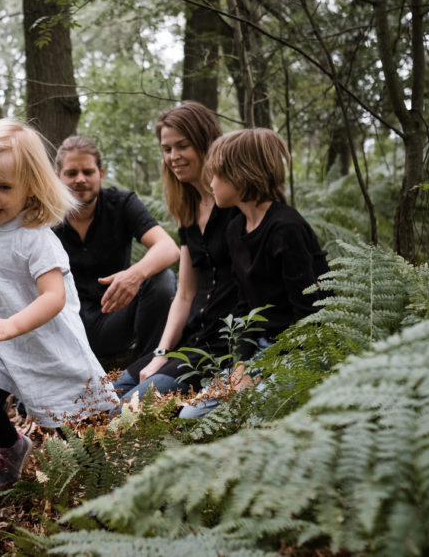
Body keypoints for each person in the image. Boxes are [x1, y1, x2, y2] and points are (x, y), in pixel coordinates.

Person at [0, 119, 118, 492]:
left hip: (43, 339)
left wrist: (12, 325)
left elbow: (54, 296)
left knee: (69, 427)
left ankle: (101, 468)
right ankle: (12, 447)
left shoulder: (34, 238)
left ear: (30, 188)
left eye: (3, 187)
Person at [176, 128, 329, 419]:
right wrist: (242, 367)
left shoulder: (286, 229)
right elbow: (245, 307)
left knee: (253, 414)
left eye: (216, 175)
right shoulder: (235, 230)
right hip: (258, 350)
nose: (209, 183)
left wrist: (265, 372)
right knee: (190, 417)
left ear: (241, 175)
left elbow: (309, 316)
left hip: (298, 353)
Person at [113, 101, 240, 404]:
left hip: (222, 346)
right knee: (109, 394)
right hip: (189, 340)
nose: (173, 157)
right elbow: (184, 293)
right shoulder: (189, 211)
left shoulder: (237, 207)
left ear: (207, 144)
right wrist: (160, 353)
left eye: (182, 146)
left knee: (125, 412)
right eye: (167, 149)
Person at [52, 137, 179, 367]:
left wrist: (134, 274)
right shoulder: (45, 215)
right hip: (67, 327)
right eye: (71, 173)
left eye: (87, 172)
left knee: (162, 279)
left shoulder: (122, 203)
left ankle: (143, 368)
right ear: (57, 176)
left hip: (115, 316)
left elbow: (168, 248)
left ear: (100, 173)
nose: (80, 179)